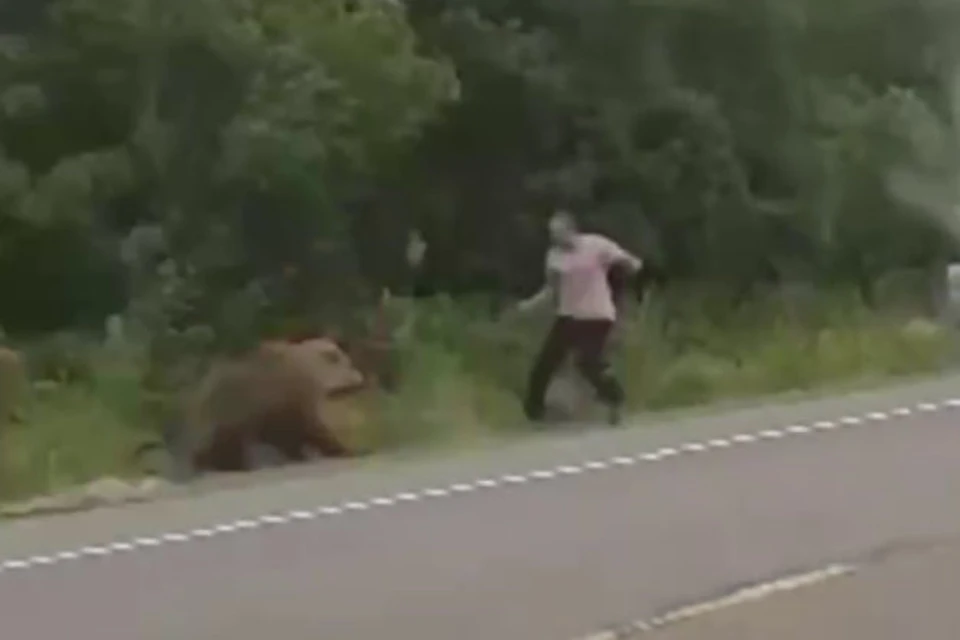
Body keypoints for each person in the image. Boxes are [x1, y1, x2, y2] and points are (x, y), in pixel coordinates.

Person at [514, 210, 643, 425]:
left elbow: (626, 260)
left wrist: (637, 270)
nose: (554, 237)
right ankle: (535, 414)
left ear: (571, 230)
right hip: (569, 315)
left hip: (597, 314)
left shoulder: (596, 245)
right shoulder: (554, 256)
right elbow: (551, 290)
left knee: (588, 362)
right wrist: (529, 306)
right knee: (544, 363)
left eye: (558, 232)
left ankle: (615, 401)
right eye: (551, 233)